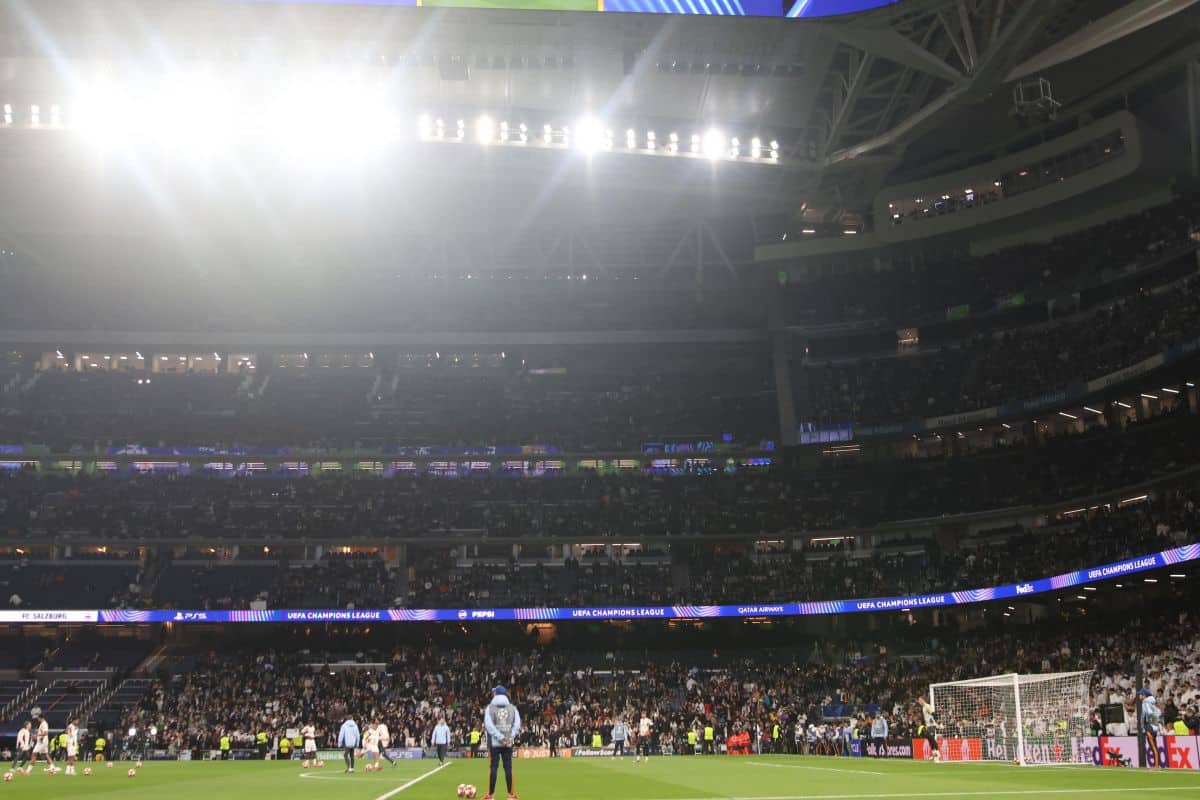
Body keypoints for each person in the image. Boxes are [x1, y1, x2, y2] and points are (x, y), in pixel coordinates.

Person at [483, 685, 520, 800]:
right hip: (508, 743)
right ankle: (510, 795)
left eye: (494, 692)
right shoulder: (513, 708)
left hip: (495, 743)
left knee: (493, 768)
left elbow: (489, 726)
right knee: (508, 768)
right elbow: (517, 725)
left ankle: (491, 795)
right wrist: (509, 738)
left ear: (496, 694)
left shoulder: (490, 708)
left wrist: (500, 738)